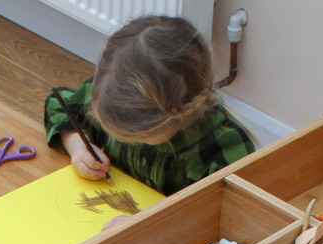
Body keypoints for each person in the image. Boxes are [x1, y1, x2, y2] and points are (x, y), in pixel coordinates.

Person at [43, 15, 255, 196]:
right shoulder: (113, 97)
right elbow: (59, 105)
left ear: (178, 113)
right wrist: (78, 148)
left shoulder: (226, 146)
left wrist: (154, 230)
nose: (128, 142)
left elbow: (232, 215)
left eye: (135, 138)